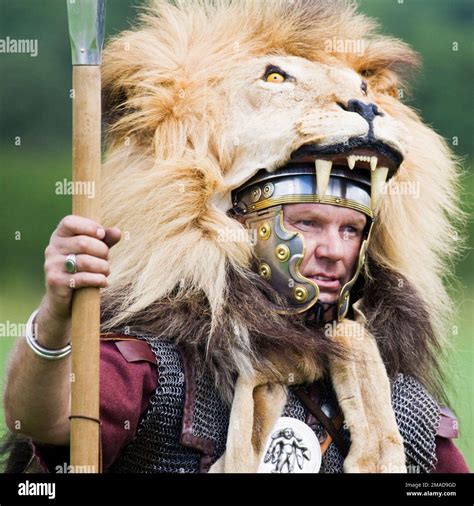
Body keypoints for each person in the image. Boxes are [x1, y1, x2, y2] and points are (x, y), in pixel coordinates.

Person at [1, 0, 470, 475]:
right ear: (236, 226)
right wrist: (57, 315)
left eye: (350, 229)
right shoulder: (154, 370)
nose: (333, 251)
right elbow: (39, 417)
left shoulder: (396, 402)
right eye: (307, 223)